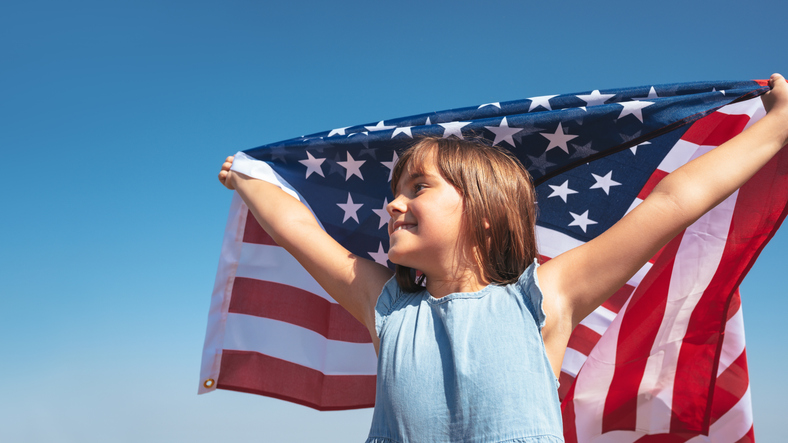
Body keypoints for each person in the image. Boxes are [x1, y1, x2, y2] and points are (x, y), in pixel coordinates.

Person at [218, 74, 788, 443]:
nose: (393, 203)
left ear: (485, 214)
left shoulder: (544, 296)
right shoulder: (386, 305)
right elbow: (297, 229)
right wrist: (252, 179)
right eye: (396, 191)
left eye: (418, 188)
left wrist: (776, 128)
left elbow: (672, 201)